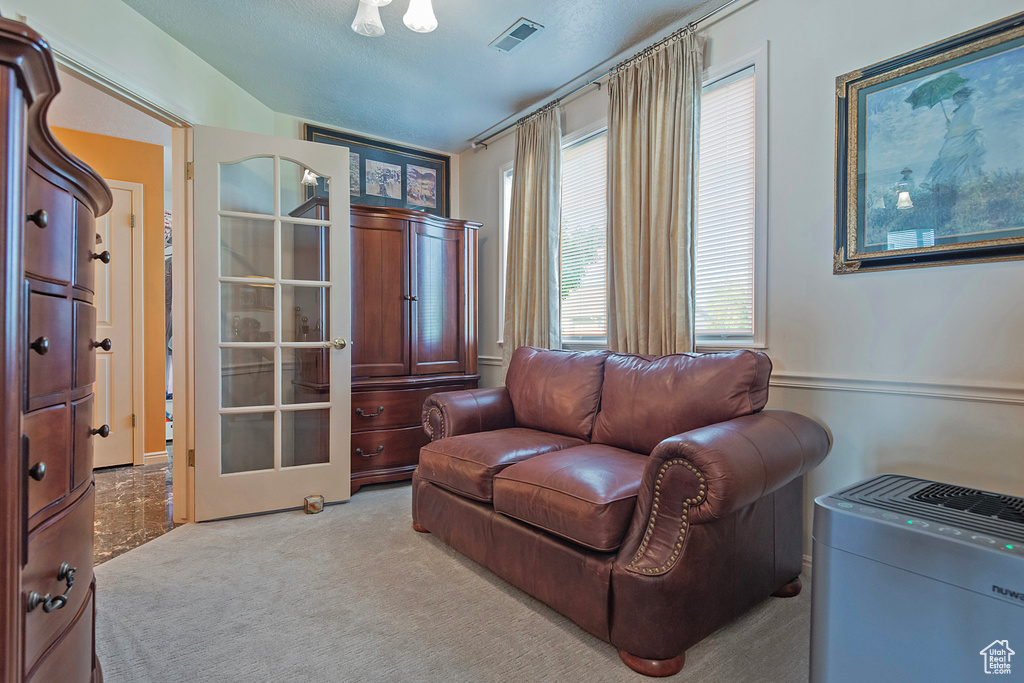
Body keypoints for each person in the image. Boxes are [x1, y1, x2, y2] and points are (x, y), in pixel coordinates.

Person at [926, 87, 985, 187]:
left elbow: (961, 124)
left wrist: (951, 126)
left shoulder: (967, 107)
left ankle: (960, 182)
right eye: (955, 98)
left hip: (961, 136)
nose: (956, 100)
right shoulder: (962, 108)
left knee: (955, 158)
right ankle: (947, 181)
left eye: (958, 98)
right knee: (949, 159)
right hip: (956, 135)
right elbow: (957, 123)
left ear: (964, 96)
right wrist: (951, 125)